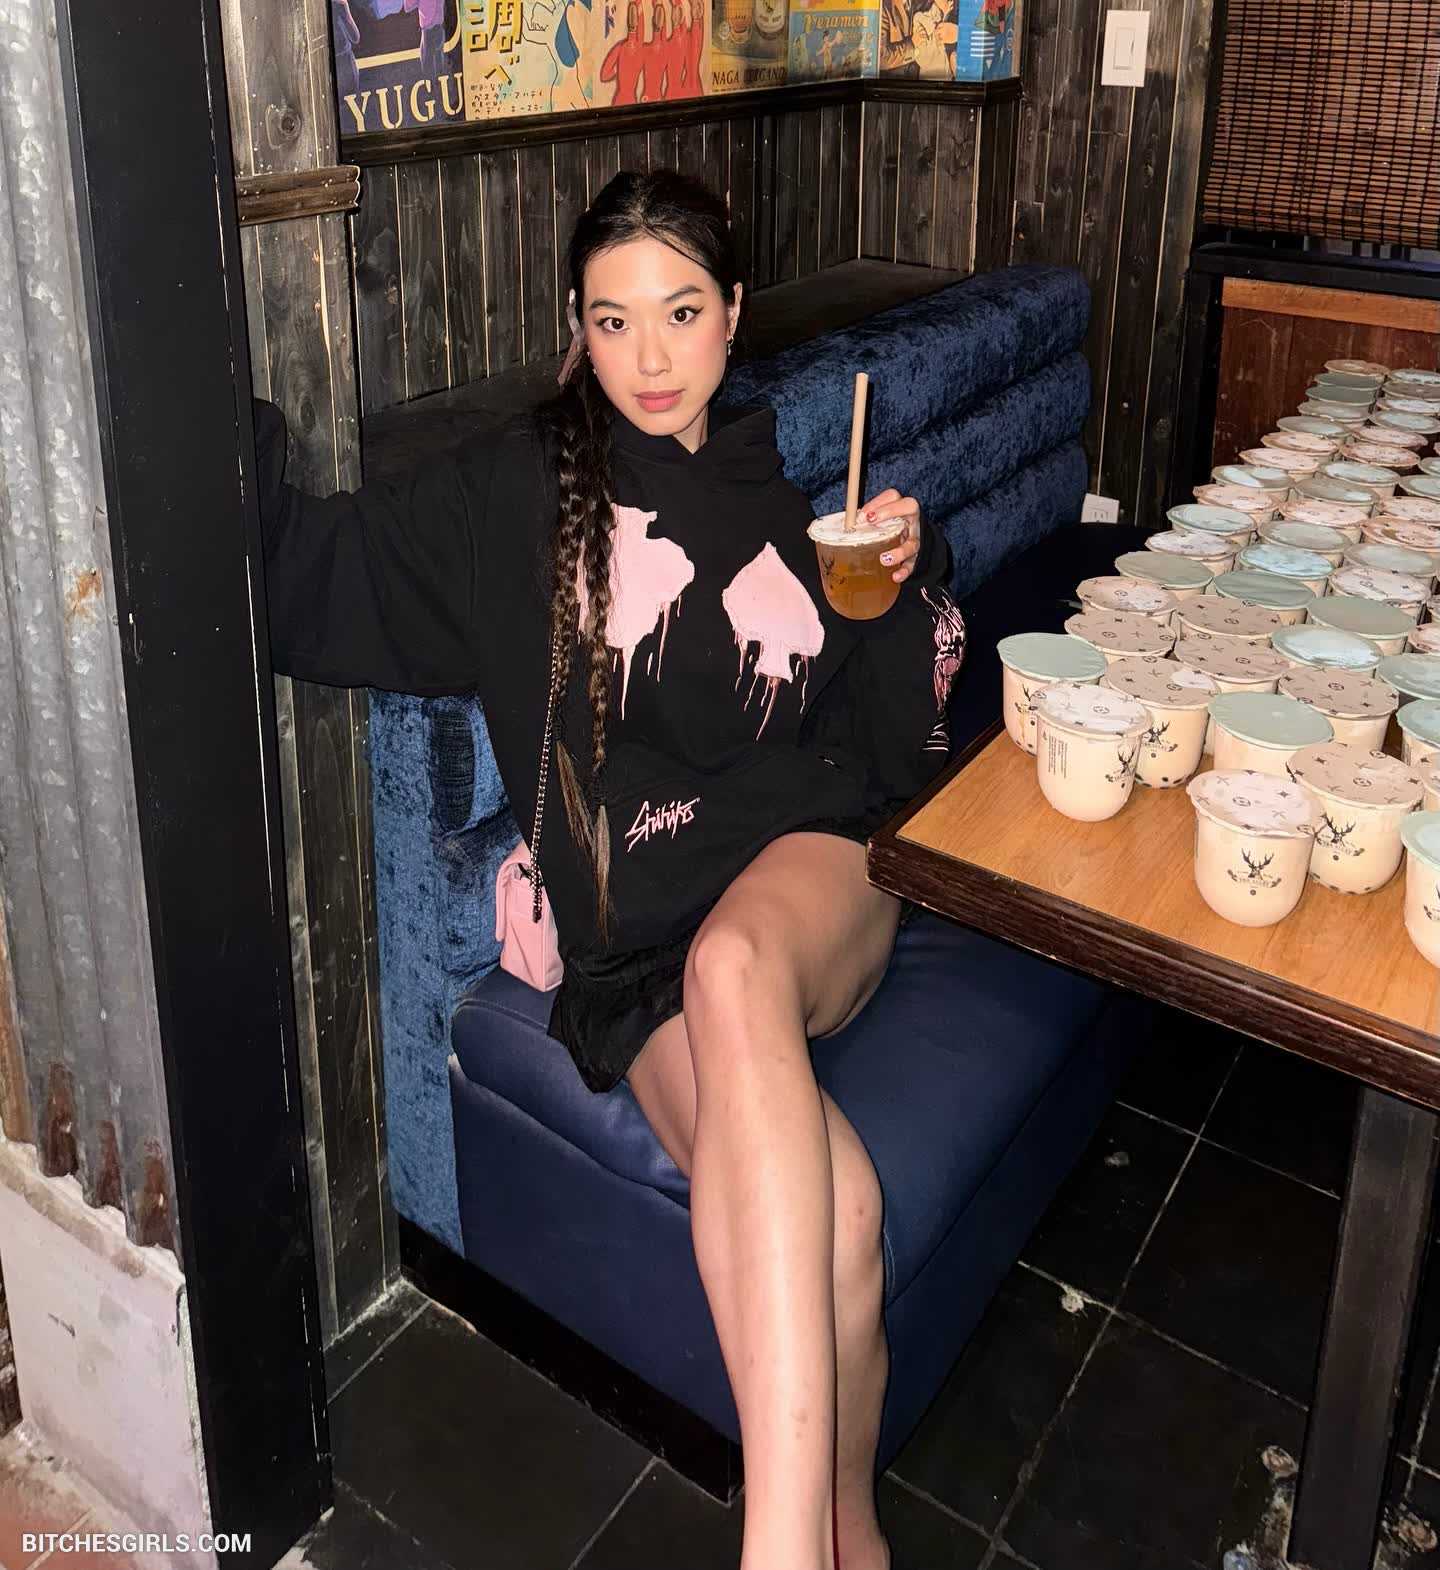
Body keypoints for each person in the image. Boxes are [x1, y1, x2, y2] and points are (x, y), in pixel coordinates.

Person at [253, 170, 964, 1570]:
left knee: (737, 961)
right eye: (613, 318)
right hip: (638, 945)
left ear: (734, 313)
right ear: (577, 329)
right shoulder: (509, 499)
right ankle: (850, 1535)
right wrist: (209, 394)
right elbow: (306, 575)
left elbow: (887, 748)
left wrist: (900, 576)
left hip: (814, 874)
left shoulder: (781, 494)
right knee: (843, 1213)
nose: (650, 356)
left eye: (683, 313)